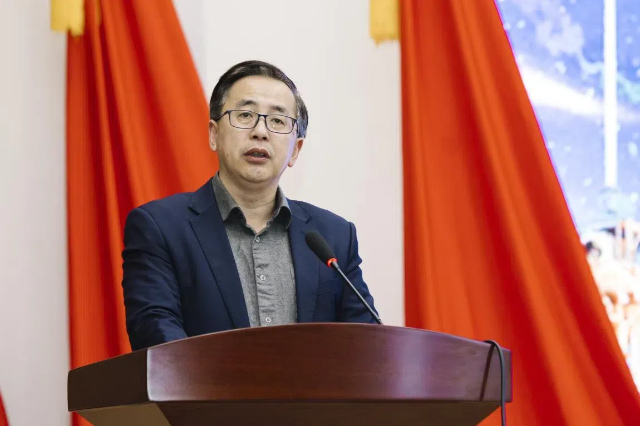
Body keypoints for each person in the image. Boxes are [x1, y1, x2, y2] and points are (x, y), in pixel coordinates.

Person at [122, 60, 378, 351]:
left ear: (295, 150)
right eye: (245, 115)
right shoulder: (161, 228)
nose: (260, 131)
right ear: (213, 134)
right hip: (204, 384)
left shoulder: (334, 237)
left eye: (278, 121)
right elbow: (158, 337)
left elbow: (367, 346)